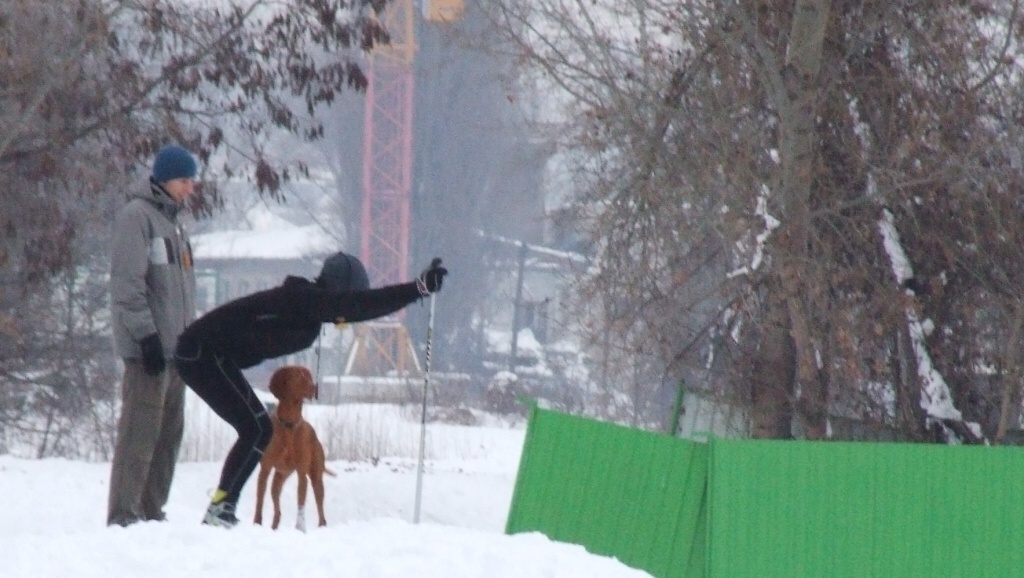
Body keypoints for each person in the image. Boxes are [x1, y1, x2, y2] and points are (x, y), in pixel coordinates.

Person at [174, 251, 447, 527]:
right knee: (256, 428)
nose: (346, 316)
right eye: (349, 299)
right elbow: (362, 305)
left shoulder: (309, 309)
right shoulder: (305, 299)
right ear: (341, 290)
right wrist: (417, 289)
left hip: (211, 356)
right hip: (200, 353)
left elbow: (355, 308)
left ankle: (223, 506)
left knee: (258, 428)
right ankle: (221, 508)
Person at [108, 144, 199, 526]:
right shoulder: (137, 218)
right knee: (139, 437)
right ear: (163, 179)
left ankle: (151, 512)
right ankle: (125, 516)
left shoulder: (175, 225)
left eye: (191, 181)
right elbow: (128, 285)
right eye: (183, 180)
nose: (189, 188)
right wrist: (146, 337)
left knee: (167, 438)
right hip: (149, 352)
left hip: (177, 352)